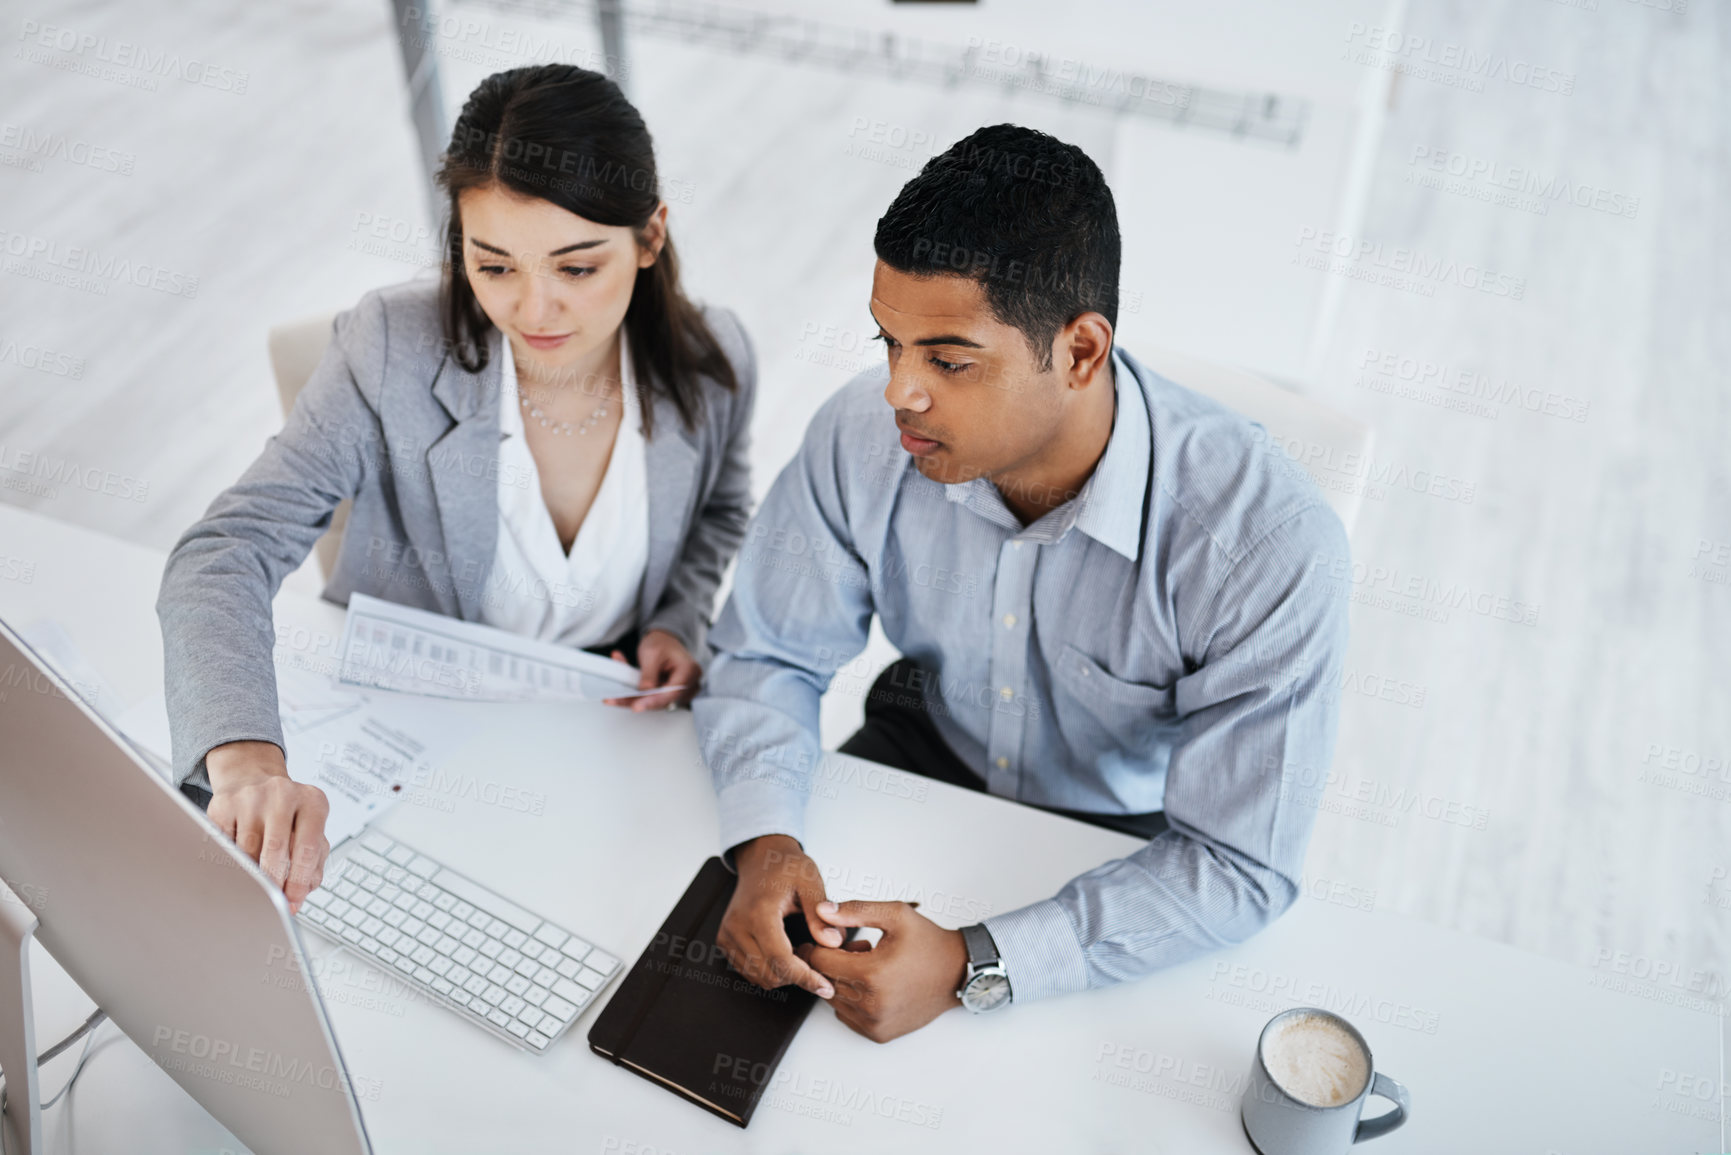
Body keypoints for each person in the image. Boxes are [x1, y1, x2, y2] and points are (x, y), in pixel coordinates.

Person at [696, 124, 1351, 1043]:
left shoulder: (1263, 545)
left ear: (1080, 352)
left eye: (948, 361)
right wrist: (766, 841)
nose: (898, 393)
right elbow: (766, 653)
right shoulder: (859, 436)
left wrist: (976, 961)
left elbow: (1239, 863)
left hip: (1130, 823)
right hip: (927, 743)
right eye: (889, 343)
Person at [157, 64, 756, 915]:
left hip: (600, 725)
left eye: (577, 268)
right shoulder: (392, 346)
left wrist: (678, 618)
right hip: (413, 732)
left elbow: (723, 511)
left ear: (650, 236)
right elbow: (228, 549)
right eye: (495, 264)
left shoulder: (715, 362)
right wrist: (248, 763)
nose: (534, 309)